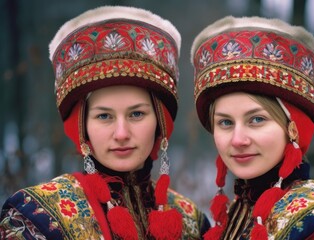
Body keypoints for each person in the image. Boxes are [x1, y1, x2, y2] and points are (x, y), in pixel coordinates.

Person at [0, 6, 210, 239]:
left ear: (160, 121)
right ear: (82, 127)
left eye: (136, 114)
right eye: (104, 116)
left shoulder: (191, 220)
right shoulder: (36, 218)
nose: (121, 133)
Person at [190, 16, 314, 239]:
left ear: (294, 128)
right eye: (225, 122)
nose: (238, 139)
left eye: (257, 120)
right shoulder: (235, 217)